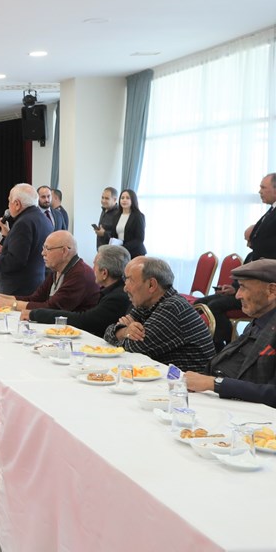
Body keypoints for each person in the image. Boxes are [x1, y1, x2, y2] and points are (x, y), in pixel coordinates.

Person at [198, 174, 276, 351]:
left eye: (263, 187)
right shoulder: (270, 212)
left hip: (265, 284)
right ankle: (208, 343)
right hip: (254, 282)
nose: (259, 191)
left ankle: (224, 346)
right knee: (201, 303)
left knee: (215, 306)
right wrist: (235, 287)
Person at [185, 259, 276, 407]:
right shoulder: (259, 321)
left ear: (272, 291)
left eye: (243, 287)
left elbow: (272, 393)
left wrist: (215, 384)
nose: (238, 295)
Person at [103, 257, 216, 372]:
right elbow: (108, 333)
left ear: (151, 285)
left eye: (130, 280)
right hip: (164, 376)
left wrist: (121, 333)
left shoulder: (172, 308)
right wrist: (125, 331)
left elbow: (132, 348)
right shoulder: (147, 303)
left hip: (186, 381)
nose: (125, 288)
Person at [25, 245, 131, 337]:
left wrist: (36, 314)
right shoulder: (109, 290)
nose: (92, 268)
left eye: (95, 265)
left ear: (104, 273)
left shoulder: (117, 297)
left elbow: (83, 321)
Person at [0, 231, 99, 313]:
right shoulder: (57, 270)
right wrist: (0, 297)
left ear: (64, 251)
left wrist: (12, 304)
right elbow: (35, 298)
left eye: (47, 249)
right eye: (43, 248)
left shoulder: (80, 274)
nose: (43, 253)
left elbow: (52, 308)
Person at [0, 183, 53, 296]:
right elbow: (30, 248)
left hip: (18, 289)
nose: (8, 206)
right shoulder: (45, 220)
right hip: (36, 283)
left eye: (9, 201)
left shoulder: (23, 223)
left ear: (17, 204)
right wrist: (8, 235)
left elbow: (16, 260)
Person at [101, 189, 147, 258]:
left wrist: (123, 247)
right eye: (122, 198)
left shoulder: (138, 216)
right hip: (121, 252)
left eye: (127, 198)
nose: (124, 200)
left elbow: (139, 239)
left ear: (133, 200)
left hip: (135, 252)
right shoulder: (116, 216)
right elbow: (114, 236)